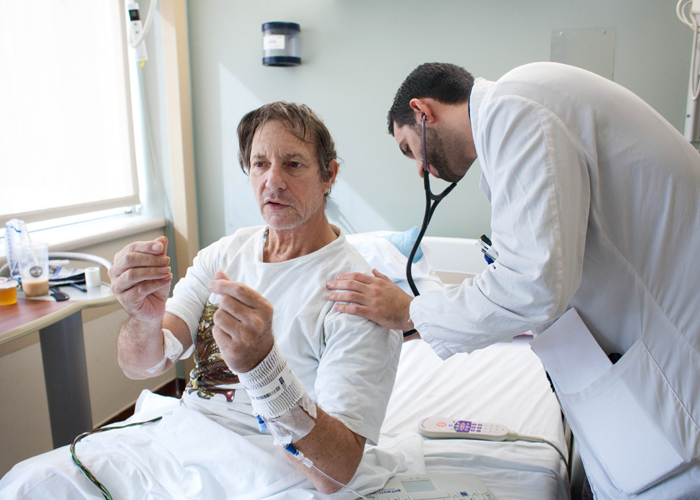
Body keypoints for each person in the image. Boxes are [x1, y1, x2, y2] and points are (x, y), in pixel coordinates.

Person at [326, 62, 700, 499]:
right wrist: (421, 320)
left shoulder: (515, 107)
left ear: (422, 111)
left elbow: (533, 284)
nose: (421, 170)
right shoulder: (522, 112)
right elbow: (541, 268)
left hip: (675, 368)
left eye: (410, 149)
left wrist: (411, 310)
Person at [0, 102, 402, 499]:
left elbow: (335, 473)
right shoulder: (224, 255)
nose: (273, 181)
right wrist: (142, 316)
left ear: (328, 174)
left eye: (293, 164)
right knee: (30, 482)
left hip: (268, 468)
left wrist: (262, 368)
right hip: (178, 440)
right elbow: (142, 365)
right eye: (260, 164)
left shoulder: (358, 294)